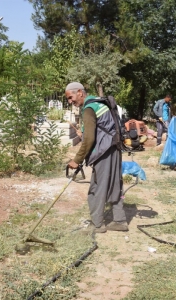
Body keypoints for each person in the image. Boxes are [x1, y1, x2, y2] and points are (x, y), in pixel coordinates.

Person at [65, 82, 128, 233]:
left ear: (80, 92)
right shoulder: (100, 103)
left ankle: (97, 224)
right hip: (114, 148)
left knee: (97, 188)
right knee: (115, 185)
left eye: (70, 97)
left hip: (104, 152)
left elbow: (89, 139)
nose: (70, 101)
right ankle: (119, 221)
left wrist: (77, 160)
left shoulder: (89, 108)